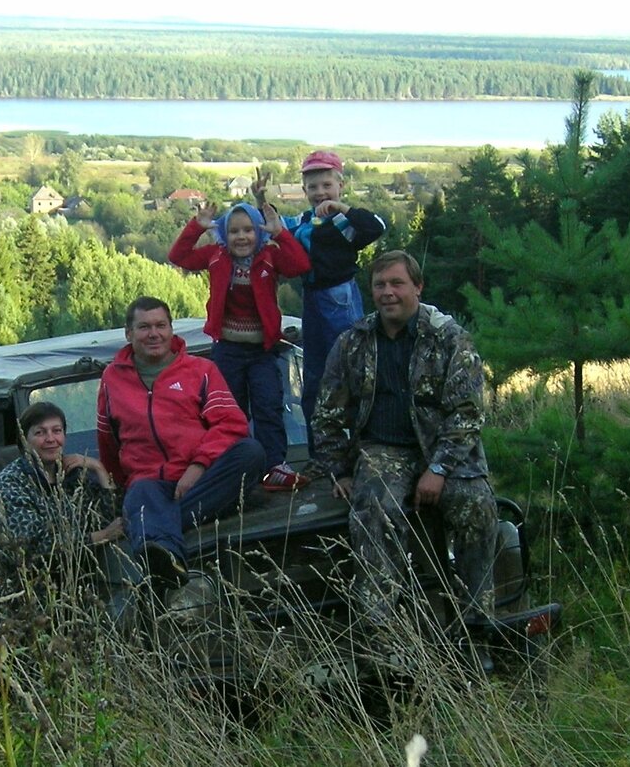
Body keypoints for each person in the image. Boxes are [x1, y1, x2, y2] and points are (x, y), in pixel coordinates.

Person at [307, 251, 497, 663]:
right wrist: (338, 469)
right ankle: (382, 636)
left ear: (418, 287)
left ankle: (476, 629)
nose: (387, 293)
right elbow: (326, 413)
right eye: (380, 285)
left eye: (397, 283)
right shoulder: (353, 342)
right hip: (383, 449)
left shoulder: (450, 338)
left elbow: (467, 413)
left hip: (444, 448)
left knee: (476, 506)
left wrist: (439, 468)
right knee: (373, 510)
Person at [96, 296, 266, 589]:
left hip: (203, 481)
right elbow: (107, 441)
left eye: (161, 325)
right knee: (139, 493)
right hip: (150, 484)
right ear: (128, 333)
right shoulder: (112, 379)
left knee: (251, 452)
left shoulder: (201, 370)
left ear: (171, 329)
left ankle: (150, 526)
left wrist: (198, 466)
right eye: (144, 327)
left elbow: (231, 424)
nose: (154, 334)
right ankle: (168, 563)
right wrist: (119, 486)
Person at [167, 201, 310, 473]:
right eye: (233, 231)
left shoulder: (269, 256)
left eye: (248, 230)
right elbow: (178, 256)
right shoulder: (216, 255)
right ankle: (237, 467)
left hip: (262, 351)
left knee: (268, 406)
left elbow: (300, 265)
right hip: (227, 349)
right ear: (224, 234)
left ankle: (275, 466)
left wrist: (279, 233)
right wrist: (197, 227)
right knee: (231, 412)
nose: (241, 237)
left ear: (258, 231)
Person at [263, 151, 386, 451]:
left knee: (348, 366)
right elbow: (275, 226)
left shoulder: (345, 223)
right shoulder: (304, 221)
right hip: (313, 300)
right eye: (313, 187)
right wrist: (260, 199)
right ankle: (319, 448)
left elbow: (377, 226)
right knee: (315, 373)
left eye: (327, 185)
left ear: (340, 186)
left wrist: (343, 208)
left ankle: (360, 442)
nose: (320, 192)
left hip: (340, 298)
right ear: (304, 191)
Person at [0, 401, 124, 601]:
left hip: (61, 591)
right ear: (24, 440)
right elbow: (34, 548)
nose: (50, 439)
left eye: (56, 431)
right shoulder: (11, 483)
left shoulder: (70, 476)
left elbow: (110, 517)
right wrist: (101, 536)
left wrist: (99, 469)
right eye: (40, 433)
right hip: (11, 593)